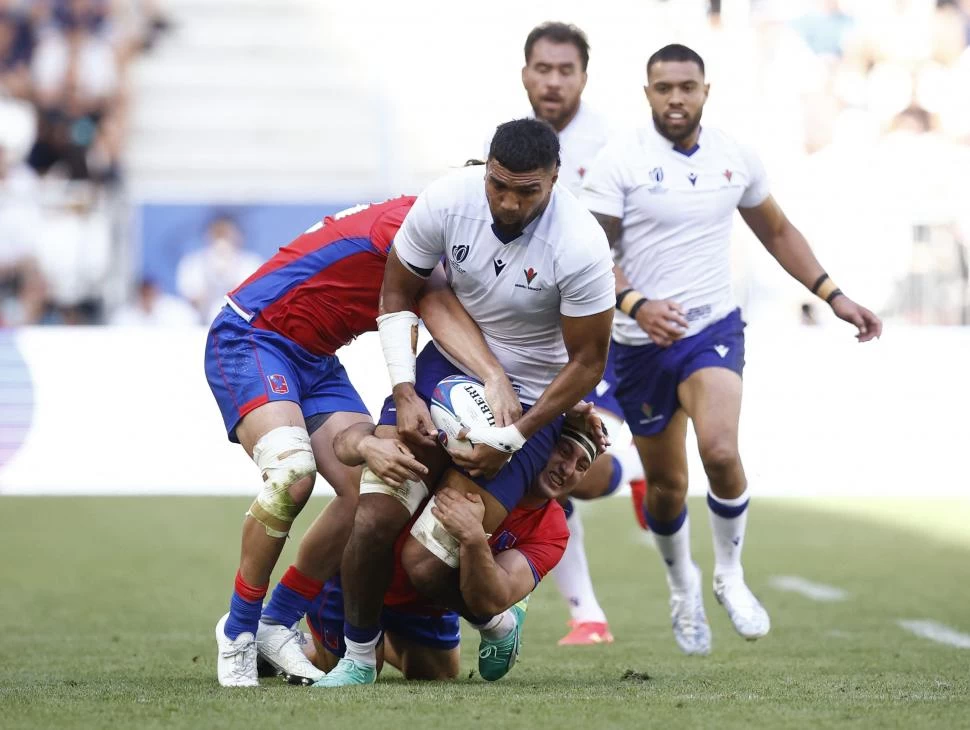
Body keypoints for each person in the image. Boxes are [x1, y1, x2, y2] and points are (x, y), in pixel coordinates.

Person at [580, 44, 882, 655]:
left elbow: (775, 231)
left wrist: (834, 295)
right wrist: (637, 304)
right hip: (638, 346)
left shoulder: (734, 157)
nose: (675, 98)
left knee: (720, 450)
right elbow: (590, 256)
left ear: (705, 91)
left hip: (711, 328)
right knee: (666, 485)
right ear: (647, 94)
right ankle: (681, 583)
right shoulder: (621, 162)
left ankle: (729, 574)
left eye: (686, 86)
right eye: (663, 87)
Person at [315, 118, 615, 687]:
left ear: (554, 180)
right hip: (444, 368)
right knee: (375, 514)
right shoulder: (449, 199)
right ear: (486, 169)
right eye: (498, 185)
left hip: (529, 399)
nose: (507, 201)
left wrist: (519, 435)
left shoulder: (579, 244)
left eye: (526, 190)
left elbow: (587, 363)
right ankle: (358, 660)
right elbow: (398, 292)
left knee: (428, 564)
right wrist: (404, 390)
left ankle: (497, 618)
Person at [206, 197, 517, 687]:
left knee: (369, 492)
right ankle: (240, 630)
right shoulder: (417, 223)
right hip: (254, 336)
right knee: (292, 476)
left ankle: (277, 620)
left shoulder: (445, 236)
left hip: (316, 360)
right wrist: (480, 380)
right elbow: (431, 305)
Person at [519, 20, 646, 647]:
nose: (553, 80)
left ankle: (629, 474)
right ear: (525, 74)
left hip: (606, 340)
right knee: (541, 465)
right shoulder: (509, 148)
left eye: (565, 70)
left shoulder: (616, 147)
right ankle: (587, 616)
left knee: (569, 466)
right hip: (531, 340)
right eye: (542, 69)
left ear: (583, 77)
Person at [303, 424, 595, 681]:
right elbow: (346, 439)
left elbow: (492, 599)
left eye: (582, 466)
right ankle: (298, 645)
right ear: (541, 445)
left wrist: (474, 537)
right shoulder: (472, 458)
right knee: (358, 667)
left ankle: (373, 638)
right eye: (564, 451)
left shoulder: (554, 529)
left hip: (427, 600)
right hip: (359, 583)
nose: (567, 469)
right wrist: (367, 444)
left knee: (438, 674)